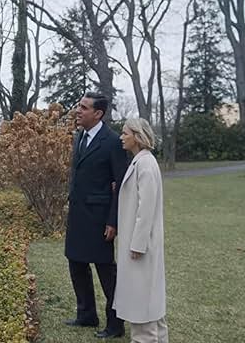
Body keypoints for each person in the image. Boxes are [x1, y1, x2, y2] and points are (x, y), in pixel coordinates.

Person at [64, 92, 129, 339]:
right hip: (78, 215)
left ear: (98, 113)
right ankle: (86, 315)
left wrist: (113, 221)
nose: (78, 110)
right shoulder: (80, 136)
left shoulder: (112, 142)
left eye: (84, 107)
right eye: (79, 105)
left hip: (101, 219)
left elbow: (120, 183)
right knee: (76, 263)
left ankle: (115, 325)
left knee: (106, 273)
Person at [114, 118, 168, 343]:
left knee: (141, 299)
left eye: (125, 133)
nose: (121, 137)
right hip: (140, 242)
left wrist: (137, 244)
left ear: (136, 136)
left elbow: (145, 209)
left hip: (140, 245)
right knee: (150, 299)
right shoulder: (142, 162)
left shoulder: (145, 164)